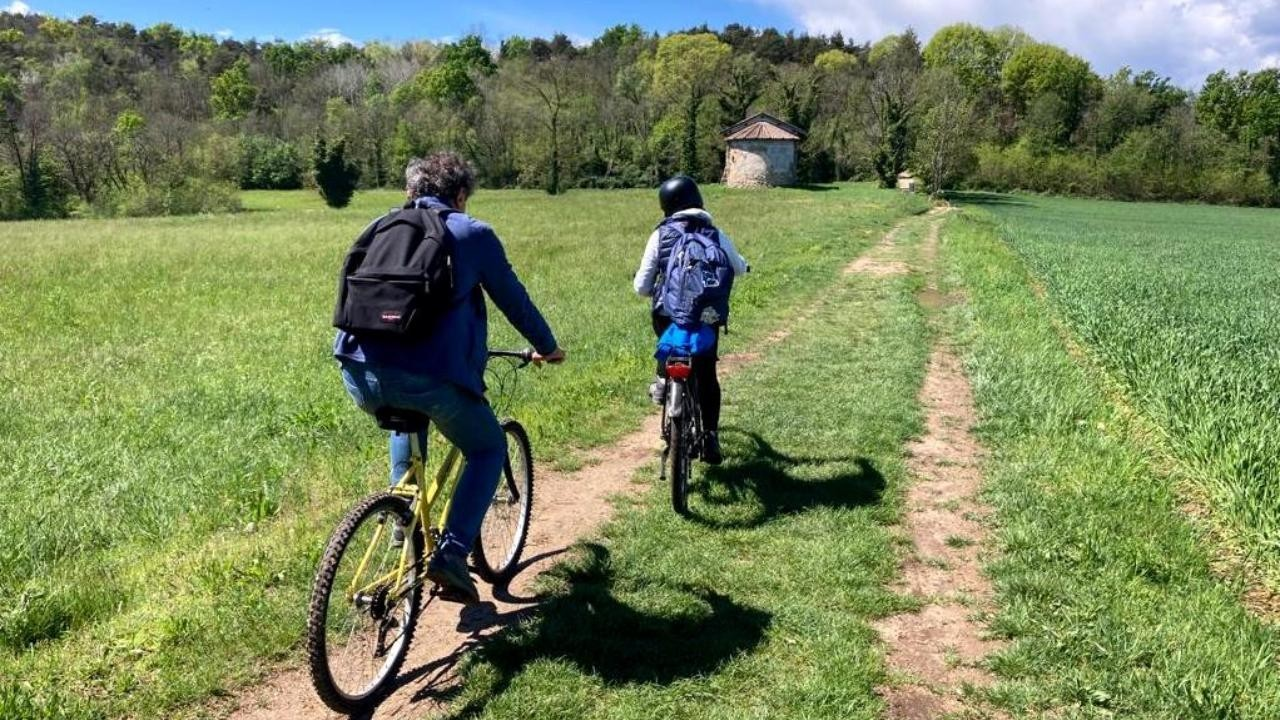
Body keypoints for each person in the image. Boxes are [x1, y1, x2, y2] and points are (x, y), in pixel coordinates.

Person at [335, 152, 565, 604]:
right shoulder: (471, 233)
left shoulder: (380, 226)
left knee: (408, 418)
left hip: (358, 371)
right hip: (430, 377)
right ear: (460, 196)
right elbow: (513, 300)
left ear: (410, 193)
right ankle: (453, 554)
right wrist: (548, 345)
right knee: (487, 447)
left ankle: (406, 525)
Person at [633, 175, 748, 465]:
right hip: (706, 317)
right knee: (707, 374)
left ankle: (663, 379)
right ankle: (710, 435)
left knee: (669, 345)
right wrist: (744, 265)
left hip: (668, 314)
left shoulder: (661, 235)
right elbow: (738, 268)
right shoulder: (715, 234)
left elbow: (641, 286)